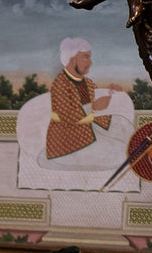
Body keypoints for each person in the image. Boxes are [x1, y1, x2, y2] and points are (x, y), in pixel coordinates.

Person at [14, 37, 136, 190]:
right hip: (69, 139)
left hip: (89, 128)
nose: (90, 62)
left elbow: (91, 107)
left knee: (121, 123)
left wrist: (108, 94)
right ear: (72, 59)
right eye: (86, 57)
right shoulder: (60, 84)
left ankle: (132, 144)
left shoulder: (88, 83)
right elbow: (68, 116)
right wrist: (94, 106)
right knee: (118, 153)